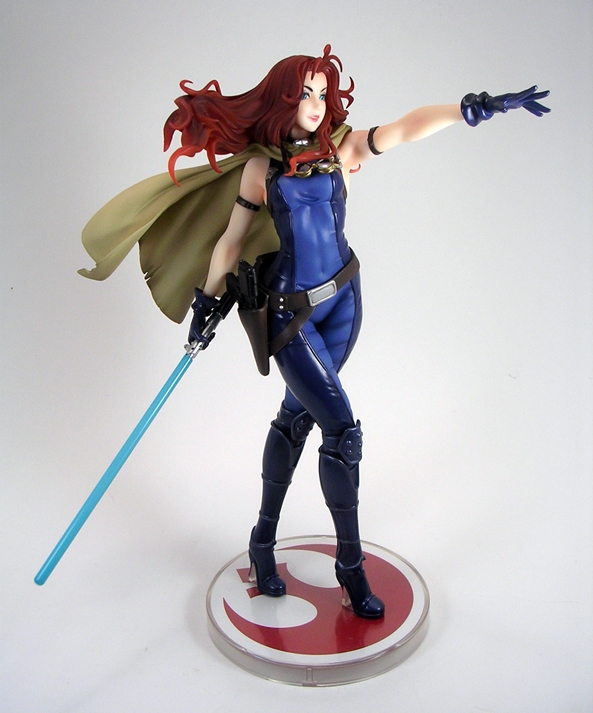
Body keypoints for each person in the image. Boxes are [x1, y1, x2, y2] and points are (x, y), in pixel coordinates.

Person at [80, 45, 549, 619]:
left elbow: (405, 128)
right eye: (305, 92)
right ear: (282, 98)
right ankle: (350, 568)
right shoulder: (261, 170)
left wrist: (475, 107)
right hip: (291, 313)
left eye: (322, 93)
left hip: (345, 303)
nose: (316, 103)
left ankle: (261, 541)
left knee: (296, 416)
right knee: (342, 433)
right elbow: (230, 241)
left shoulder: (341, 150)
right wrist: (205, 301)